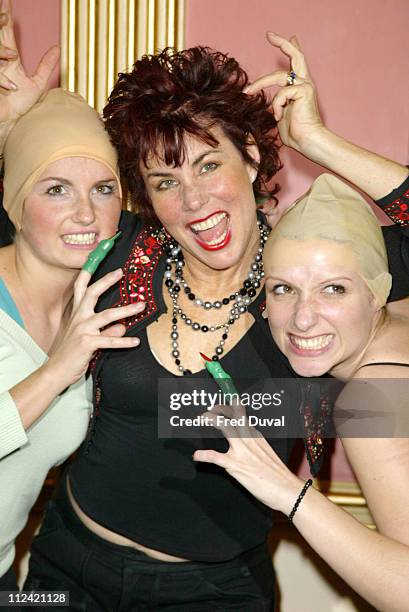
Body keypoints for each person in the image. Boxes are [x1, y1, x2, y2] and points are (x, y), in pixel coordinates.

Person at [0, 0, 405, 606]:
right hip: (67, 566)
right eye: (165, 181)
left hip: (215, 589)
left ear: (249, 155)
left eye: (208, 164)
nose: (192, 199)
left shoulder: (306, 283)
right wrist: (9, 133)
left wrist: (320, 142)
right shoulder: (120, 256)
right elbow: (27, 216)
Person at [194, 173, 409, 612]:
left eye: (334, 288)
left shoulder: (370, 402)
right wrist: (317, 143)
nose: (303, 319)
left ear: (376, 293)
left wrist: (287, 492)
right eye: (284, 289)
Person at [0, 87, 145, 593]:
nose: (85, 214)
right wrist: (56, 372)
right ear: (16, 202)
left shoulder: (96, 303)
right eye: (56, 189)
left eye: (103, 189)